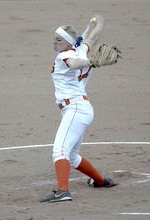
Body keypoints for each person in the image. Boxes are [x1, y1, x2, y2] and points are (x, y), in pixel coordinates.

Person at [40, 15, 116, 203]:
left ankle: (62, 191)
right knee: (72, 157)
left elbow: (74, 64)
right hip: (79, 109)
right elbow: (93, 38)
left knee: (60, 151)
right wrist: (100, 22)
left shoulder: (65, 55)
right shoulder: (80, 49)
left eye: (59, 39)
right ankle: (100, 181)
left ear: (68, 42)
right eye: (54, 38)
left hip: (75, 108)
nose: (54, 42)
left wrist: (89, 62)